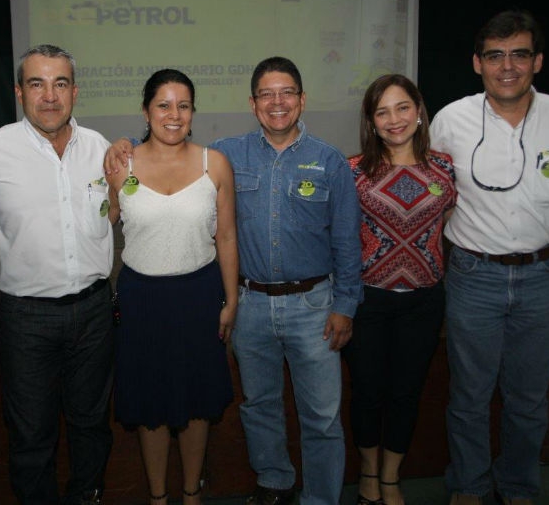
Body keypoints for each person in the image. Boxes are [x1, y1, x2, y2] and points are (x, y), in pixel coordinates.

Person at [107, 56, 362, 505]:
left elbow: (345, 239)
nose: (277, 102)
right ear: (252, 103)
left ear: (302, 100)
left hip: (311, 306)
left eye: (286, 93)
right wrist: (123, 143)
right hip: (250, 303)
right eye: (266, 94)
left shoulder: (328, 161)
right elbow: (157, 154)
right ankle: (274, 484)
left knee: (322, 416)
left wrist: (346, 304)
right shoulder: (229, 153)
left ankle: (320, 499)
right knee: (259, 405)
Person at [429, 10, 549, 505]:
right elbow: (431, 191)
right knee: (469, 396)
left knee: (528, 399)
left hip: (544, 275)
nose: (507, 66)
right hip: (472, 276)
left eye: (519, 55)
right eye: (495, 56)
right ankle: (468, 486)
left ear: (538, 61)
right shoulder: (450, 120)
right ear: (477, 63)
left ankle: (518, 486)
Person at [0, 44, 119, 505]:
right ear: (19, 92)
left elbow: (113, 213)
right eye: (37, 84)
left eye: (60, 83)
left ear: (75, 91)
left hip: (94, 311)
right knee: (31, 431)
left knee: (92, 422)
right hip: (24, 318)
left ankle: (87, 494)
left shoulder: (100, 149)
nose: (50, 96)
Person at [107, 69, 238, 505]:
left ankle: (191, 492)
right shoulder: (119, 166)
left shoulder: (214, 164)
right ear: (146, 112)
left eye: (183, 105)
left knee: (197, 401)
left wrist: (231, 301)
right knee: (151, 404)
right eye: (163, 105)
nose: (174, 114)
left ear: (193, 112)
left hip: (199, 296)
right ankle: (159, 497)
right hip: (141, 300)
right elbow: (100, 225)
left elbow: (226, 237)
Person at [343, 74, 456, 505]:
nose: (394, 119)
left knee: (407, 392)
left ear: (419, 111)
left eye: (403, 107)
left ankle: (391, 477)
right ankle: (369, 473)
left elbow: (448, 222)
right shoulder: (352, 171)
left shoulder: (444, 168)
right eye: (382, 112)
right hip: (367, 301)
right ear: (371, 122)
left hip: (424, 303)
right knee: (368, 392)